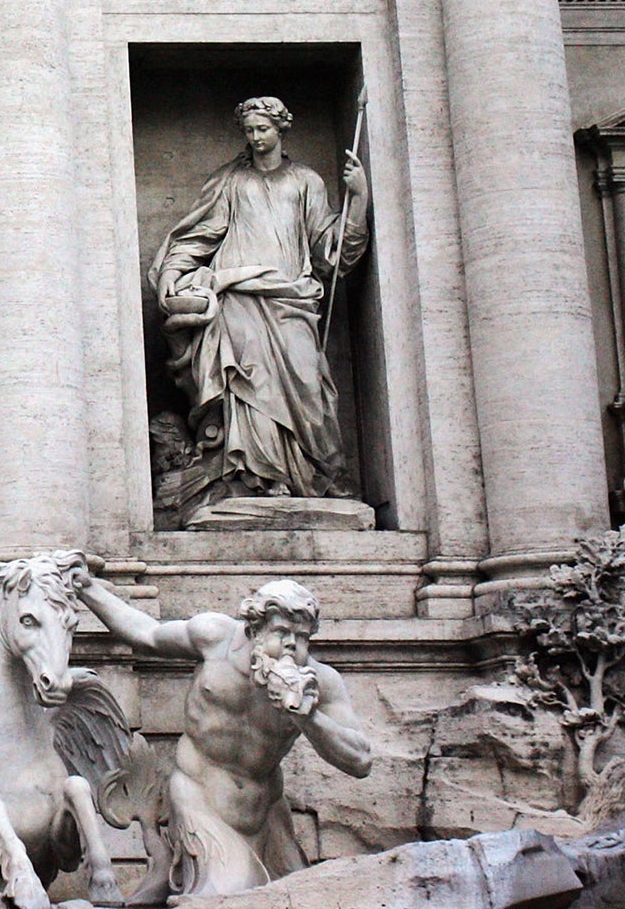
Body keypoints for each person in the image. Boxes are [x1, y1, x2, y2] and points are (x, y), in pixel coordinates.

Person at [75, 574, 371, 898]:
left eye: (301, 637)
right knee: (229, 898)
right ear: (254, 629)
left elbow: (360, 760)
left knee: (300, 899)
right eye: (281, 632)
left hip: (266, 811)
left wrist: (309, 717)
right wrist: (88, 589)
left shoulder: (321, 682)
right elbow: (146, 634)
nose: (291, 644)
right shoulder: (215, 637)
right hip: (199, 797)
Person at [151, 96, 368, 521]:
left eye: (262, 129)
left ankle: (311, 475)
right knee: (247, 387)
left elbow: (332, 251)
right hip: (240, 297)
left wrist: (358, 198)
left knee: (309, 385)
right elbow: (197, 237)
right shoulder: (230, 181)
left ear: (280, 130)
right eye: (249, 130)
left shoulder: (305, 181)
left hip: (292, 298)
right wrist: (171, 275)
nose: (255, 137)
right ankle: (254, 477)